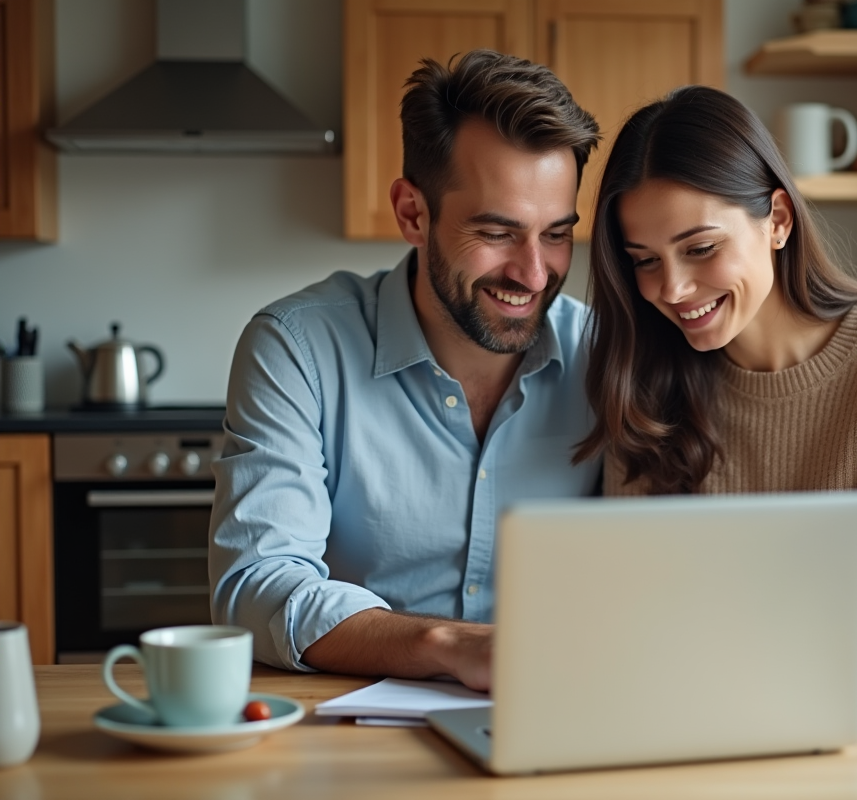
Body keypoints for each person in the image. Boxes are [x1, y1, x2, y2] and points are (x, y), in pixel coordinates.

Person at [209, 50, 601, 689]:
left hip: (557, 709)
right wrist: (450, 646)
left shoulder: (605, 355)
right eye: (498, 232)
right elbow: (256, 584)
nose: (534, 273)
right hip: (350, 725)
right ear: (413, 213)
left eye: (556, 233)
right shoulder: (297, 348)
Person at [576, 86, 857, 665]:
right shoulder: (646, 380)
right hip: (718, 693)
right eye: (644, 260)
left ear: (778, 221)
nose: (671, 288)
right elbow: (640, 593)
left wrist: (769, 646)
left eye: (701, 248)